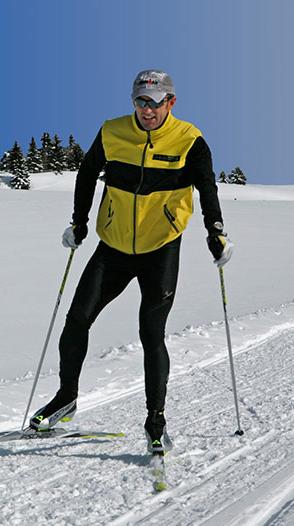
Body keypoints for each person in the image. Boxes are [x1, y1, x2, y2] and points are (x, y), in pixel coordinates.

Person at [29, 70, 233, 454]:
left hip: (160, 248)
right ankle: (66, 398)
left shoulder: (190, 141)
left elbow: (207, 187)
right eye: (141, 101)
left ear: (171, 102)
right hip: (113, 247)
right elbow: (87, 175)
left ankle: (155, 422)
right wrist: (79, 222)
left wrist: (215, 230)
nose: (148, 110)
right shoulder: (112, 132)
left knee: (151, 334)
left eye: (156, 102)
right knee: (77, 319)